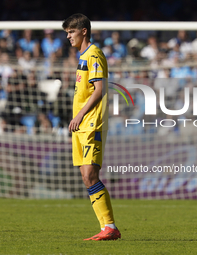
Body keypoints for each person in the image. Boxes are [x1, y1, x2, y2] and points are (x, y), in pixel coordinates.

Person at [62, 13, 120, 241]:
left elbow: (100, 89)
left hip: (91, 123)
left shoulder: (94, 54)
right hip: (81, 125)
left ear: (83, 31)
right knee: (87, 178)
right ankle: (107, 227)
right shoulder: (83, 56)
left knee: (90, 174)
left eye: (71, 32)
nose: (68, 37)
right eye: (67, 33)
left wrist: (80, 115)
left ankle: (110, 227)